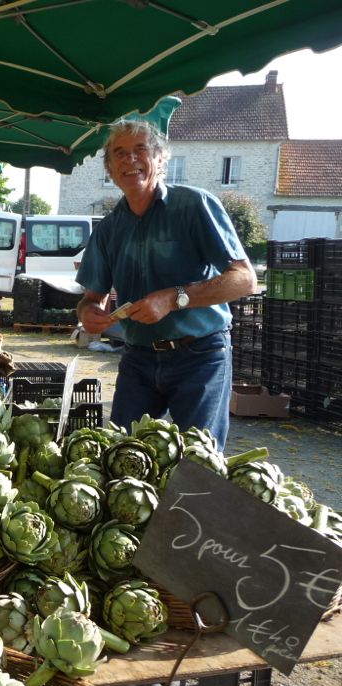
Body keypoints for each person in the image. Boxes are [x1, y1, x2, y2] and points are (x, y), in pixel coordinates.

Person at [75, 120, 257, 449]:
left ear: (160, 160)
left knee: (198, 463)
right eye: (120, 154)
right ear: (110, 170)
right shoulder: (107, 230)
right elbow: (91, 299)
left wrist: (175, 298)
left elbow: (244, 279)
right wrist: (89, 315)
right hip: (138, 359)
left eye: (140, 150)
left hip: (200, 354)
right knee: (121, 457)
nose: (129, 160)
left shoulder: (194, 205)